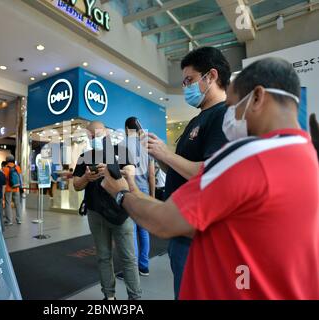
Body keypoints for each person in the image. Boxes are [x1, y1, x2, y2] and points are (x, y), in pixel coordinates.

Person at [102, 57, 319, 299]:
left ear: (257, 98)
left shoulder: (248, 156)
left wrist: (120, 192)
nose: (231, 116)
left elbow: (164, 221)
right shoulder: (306, 153)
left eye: (234, 106)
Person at [145, 47, 230, 299]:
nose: (185, 87)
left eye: (189, 80)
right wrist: (159, 156)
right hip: (180, 231)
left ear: (211, 76)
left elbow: (212, 172)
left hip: (200, 237)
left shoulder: (225, 114)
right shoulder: (197, 120)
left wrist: (167, 154)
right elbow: (178, 170)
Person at [73, 121, 141, 300]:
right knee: (103, 257)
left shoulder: (123, 152)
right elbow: (76, 185)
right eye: (92, 136)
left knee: (128, 258)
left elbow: (130, 183)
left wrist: (112, 171)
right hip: (95, 214)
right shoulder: (84, 157)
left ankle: (135, 298)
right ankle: (109, 297)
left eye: (98, 134)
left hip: (121, 213)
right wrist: (87, 177)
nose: (95, 138)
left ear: (108, 133)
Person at [118, 117, 155, 278]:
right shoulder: (146, 145)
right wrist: (152, 196)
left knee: (130, 231)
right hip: (145, 190)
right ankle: (144, 266)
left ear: (126, 129)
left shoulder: (122, 145)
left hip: (130, 190)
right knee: (144, 230)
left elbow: (118, 172)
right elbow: (152, 174)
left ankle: (131, 270)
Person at [2, 155, 23, 225]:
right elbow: (20, 179)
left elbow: (4, 180)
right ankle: (19, 219)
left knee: (8, 204)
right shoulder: (17, 167)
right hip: (16, 188)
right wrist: (21, 187)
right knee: (18, 204)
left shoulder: (5, 168)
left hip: (8, 189)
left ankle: (9, 220)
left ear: (7, 161)